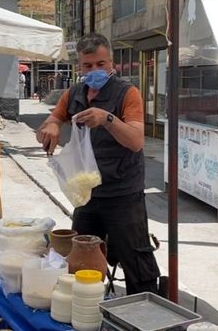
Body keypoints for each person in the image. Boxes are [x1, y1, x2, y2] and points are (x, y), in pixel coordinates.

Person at [36, 33, 160, 295]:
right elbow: (52, 121)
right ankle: (88, 307)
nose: (94, 70)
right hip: (87, 193)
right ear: (79, 66)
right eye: (88, 66)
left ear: (111, 62)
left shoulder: (128, 93)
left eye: (100, 64)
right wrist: (52, 127)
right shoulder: (74, 93)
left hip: (122, 191)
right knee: (80, 254)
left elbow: (136, 141)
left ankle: (144, 310)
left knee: (135, 258)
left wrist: (108, 119)